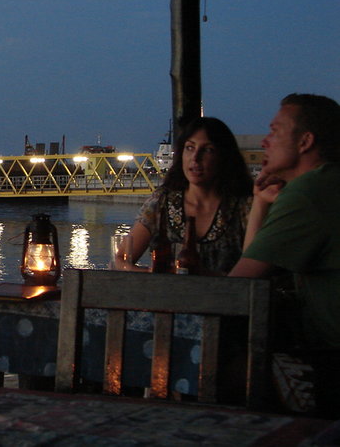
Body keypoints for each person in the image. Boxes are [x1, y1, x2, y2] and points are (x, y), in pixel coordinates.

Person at [229, 93, 340, 418]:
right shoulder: (326, 184)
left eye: (275, 131)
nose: (265, 141)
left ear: (305, 141)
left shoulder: (309, 193)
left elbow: (238, 289)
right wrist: (260, 202)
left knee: (226, 367)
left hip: (332, 359)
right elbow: (254, 266)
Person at [115, 117, 253, 274]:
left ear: (224, 157)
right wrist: (150, 275)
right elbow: (121, 259)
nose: (195, 158)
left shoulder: (244, 207)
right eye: (189, 148)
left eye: (207, 150)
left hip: (225, 297)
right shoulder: (162, 203)